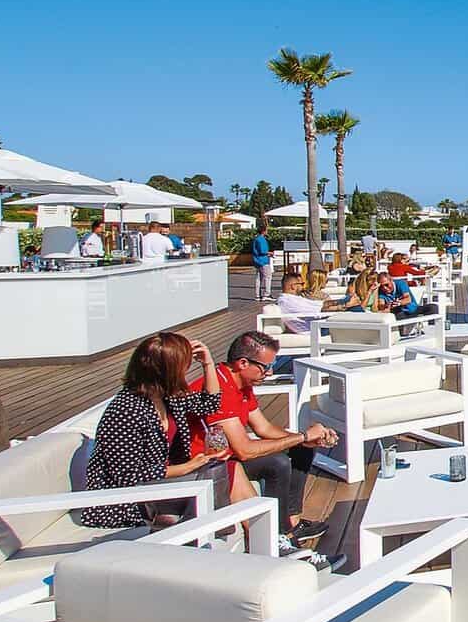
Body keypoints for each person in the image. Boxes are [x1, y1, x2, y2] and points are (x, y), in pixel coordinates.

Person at [197, 331, 340, 568]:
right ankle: (279, 535)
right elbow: (243, 451)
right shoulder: (219, 388)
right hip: (212, 463)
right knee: (278, 463)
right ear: (243, 363)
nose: (270, 372)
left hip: (229, 455)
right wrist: (303, 435)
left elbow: (263, 427)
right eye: (265, 367)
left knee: (301, 450)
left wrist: (304, 440)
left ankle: (292, 526)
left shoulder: (242, 384)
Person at [80, 333, 229, 528]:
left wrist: (208, 364)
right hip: (124, 500)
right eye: (185, 364)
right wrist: (186, 467)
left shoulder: (167, 398)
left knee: (216, 468)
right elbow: (127, 475)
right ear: (168, 371)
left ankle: (209, 531)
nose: (187, 368)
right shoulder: (125, 411)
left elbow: (209, 403)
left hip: (156, 486)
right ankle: (210, 532)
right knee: (209, 476)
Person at [250, 223, 273, 299]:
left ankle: (257, 295)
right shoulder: (261, 239)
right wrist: (270, 253)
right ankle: (267, 294)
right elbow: (262, 251)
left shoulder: (256, 239)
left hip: (257, 261)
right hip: (263, 261)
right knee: (268, 277)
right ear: (263, 231)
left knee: (258, 278)